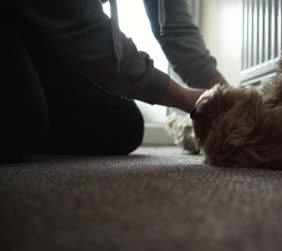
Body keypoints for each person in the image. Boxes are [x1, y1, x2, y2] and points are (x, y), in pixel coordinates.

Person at [0, 0, 228, 162]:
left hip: (47, 38)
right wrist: (186, 98)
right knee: (18, 119)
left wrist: (225, 92)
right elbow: (83, 29)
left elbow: (176, 30)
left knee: (123, 126)